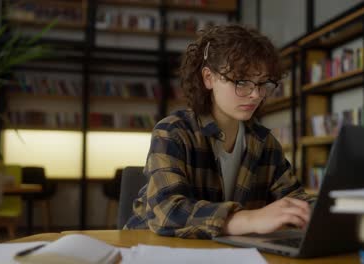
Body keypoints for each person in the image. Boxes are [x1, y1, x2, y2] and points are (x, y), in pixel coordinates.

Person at [125, 24, 314, 239]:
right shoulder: (173, 132)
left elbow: (295, 199)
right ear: (208, 78)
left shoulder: (264, 142)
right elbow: (167, 212)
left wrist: (330, 211)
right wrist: (251, 219)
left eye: (263, 83)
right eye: (242, 82)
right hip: (153, 249)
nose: (255, 94)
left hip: (226, 252)